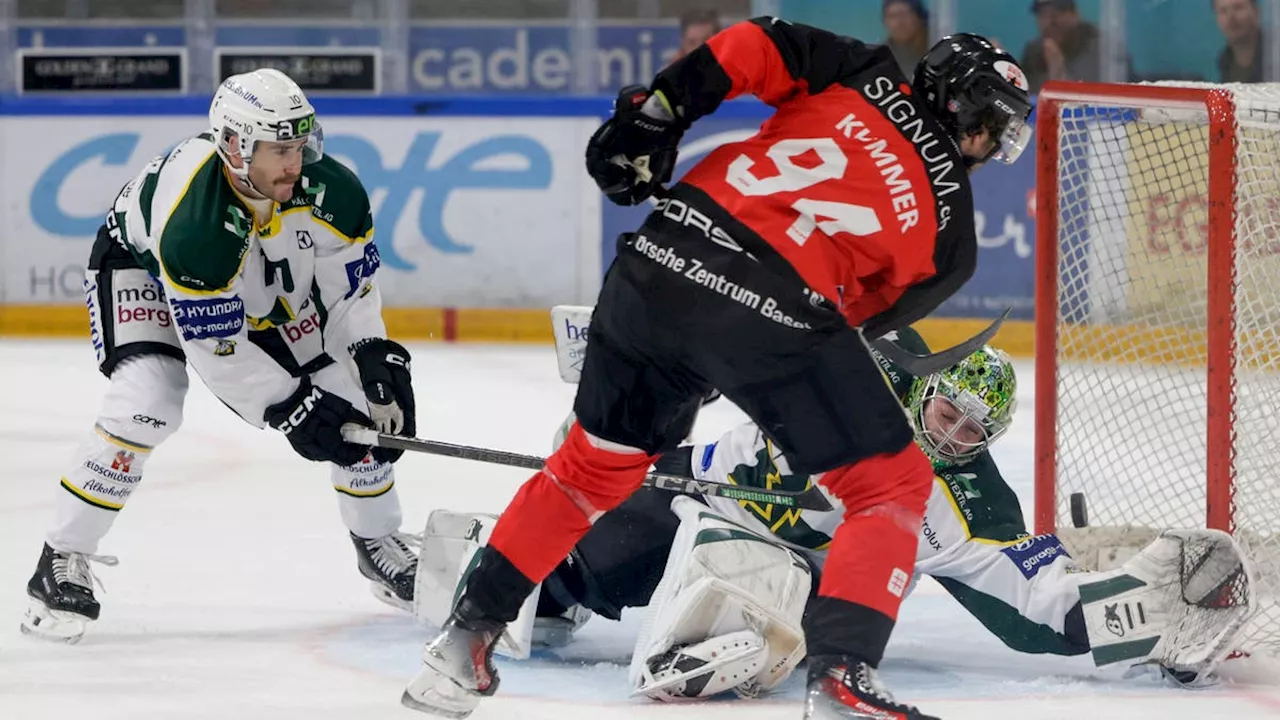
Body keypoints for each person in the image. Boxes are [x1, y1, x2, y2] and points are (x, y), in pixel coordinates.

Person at [403, 18, 1033, 720]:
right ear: (974, 118)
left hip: (656, 262)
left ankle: (460, 649)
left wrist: (660, 113)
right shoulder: (954, 236)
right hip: (772, 310)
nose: (991, 146)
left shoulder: (862, 69)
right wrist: (737, 354)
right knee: (890, 484)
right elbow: (855, 320)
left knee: (588, 471)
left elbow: (752, 46)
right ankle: (841, 680)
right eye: (995, 128)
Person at [423, 330, 1257, 701]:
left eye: (975, 431)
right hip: (694, 484)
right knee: (577, 572)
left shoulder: (967, 502)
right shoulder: (863, 369)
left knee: (727, 630)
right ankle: (479, 585)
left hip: (772, 559)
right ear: (929, 388)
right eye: (950, 413)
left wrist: (1143, 617)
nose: (955, 435)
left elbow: (1037, 619)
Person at [20, 68, 420, 645]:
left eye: (300, 144)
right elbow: (221, 350)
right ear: (234, 146)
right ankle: (59, 558)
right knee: (147, 403)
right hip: (145, 270)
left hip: (248, 273)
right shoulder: (196, 225)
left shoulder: (334, 190)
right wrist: (291, 407)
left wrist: (372, 351)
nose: (296, 162)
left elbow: (348, 291)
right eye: (280, 149)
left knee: (359, 397)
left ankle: (377, 542)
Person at [1020, 0, 1129, 92]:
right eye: (1043, 14)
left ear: (1075, 14)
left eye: (1057, 12)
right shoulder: (1034, 52)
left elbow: (1092, 100)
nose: (1051, 22)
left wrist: (1058, 73)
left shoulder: (1100, 48)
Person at [1214, 0, 1265, 83]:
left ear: (1256, 12)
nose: (1230, 17)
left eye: (1238, 8)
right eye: (1223, 10)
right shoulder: (1225, 60)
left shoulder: (1274, 55)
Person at [883, 0, 932, 79]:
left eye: (904, 14)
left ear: (919, 17)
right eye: (892, 16)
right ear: (885, 21)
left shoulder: (934, 49)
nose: (900, 22)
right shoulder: (880, 57)